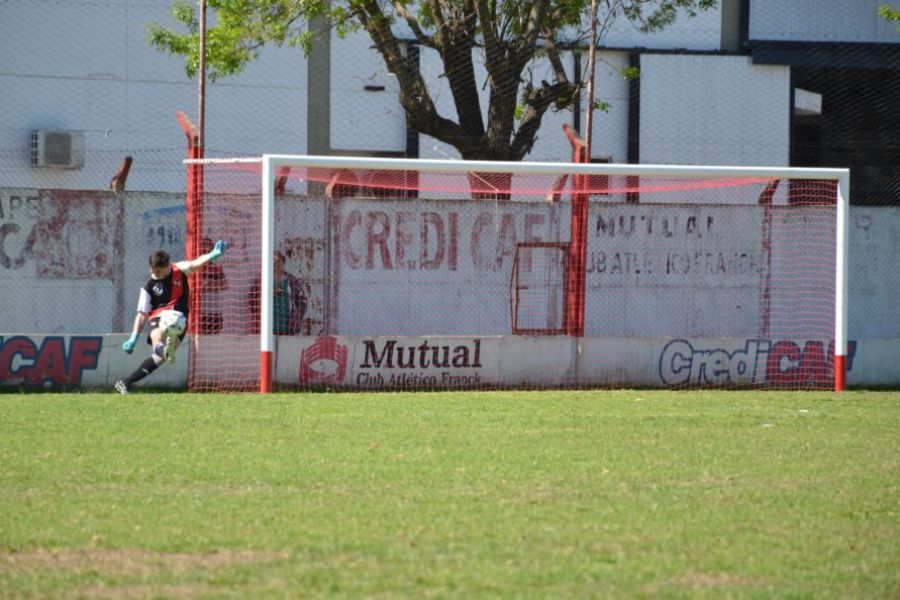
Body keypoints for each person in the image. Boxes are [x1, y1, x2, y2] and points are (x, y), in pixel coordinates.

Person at [114, 240, 228, 394]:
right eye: (153, 271)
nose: (156, 274)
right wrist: (133, 338)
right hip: (159, 316)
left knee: (159, 358)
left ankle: (126, 381)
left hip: (180, 318)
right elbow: (142, 314)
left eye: (159, 271)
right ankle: (161, 352)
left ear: (168, 265)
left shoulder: (179, 270)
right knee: (157, 336)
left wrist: (212, 254)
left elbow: (195, 264)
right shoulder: (148, 286)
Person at [248, 250, 306, 335]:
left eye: (278, 261)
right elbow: (252, 302)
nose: (276, 264)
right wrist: (268, 295)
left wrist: (297, 318)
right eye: (273, 261)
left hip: (287, 326)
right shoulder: (261, 281)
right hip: (267, 326)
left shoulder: (292, 281)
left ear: (283, 262)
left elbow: (302, 301)